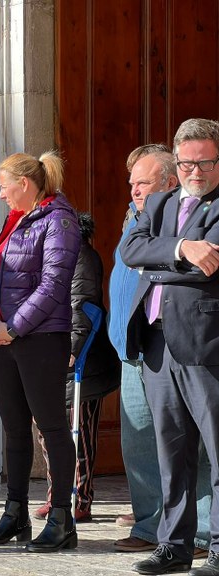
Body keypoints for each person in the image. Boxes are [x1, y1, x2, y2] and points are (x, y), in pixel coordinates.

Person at [122, 118, 219, 576]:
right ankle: (174, 546)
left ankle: (217, 547)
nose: (195, 172)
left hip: (206, 345)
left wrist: (156, 262)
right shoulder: (159, 202)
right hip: (157, 344)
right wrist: (181, 248)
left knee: (216, 451)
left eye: (206, 163)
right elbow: (130, 251)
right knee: (171, 453)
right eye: (186, 164)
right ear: (175, 162)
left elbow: (210, 265)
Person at [0, 151, 80, 552]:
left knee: (52, 427)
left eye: (4, 186)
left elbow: (54, 284)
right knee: (14, 426)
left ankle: (62, 519)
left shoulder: (59, 219)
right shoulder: (15, 219)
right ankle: (15, 512)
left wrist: (14, 327)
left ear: (24, 183)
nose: (1, 194)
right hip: (7, 339)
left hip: (41, 338)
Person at [33, 212, 120, 522]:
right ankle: (56, 495)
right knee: (48, 433)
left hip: (81, 361)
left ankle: (80, 499)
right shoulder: (47, 258)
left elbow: (84, 305)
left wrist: (72, 349)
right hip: (46, 354)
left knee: (79, 435)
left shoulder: (82, 255)